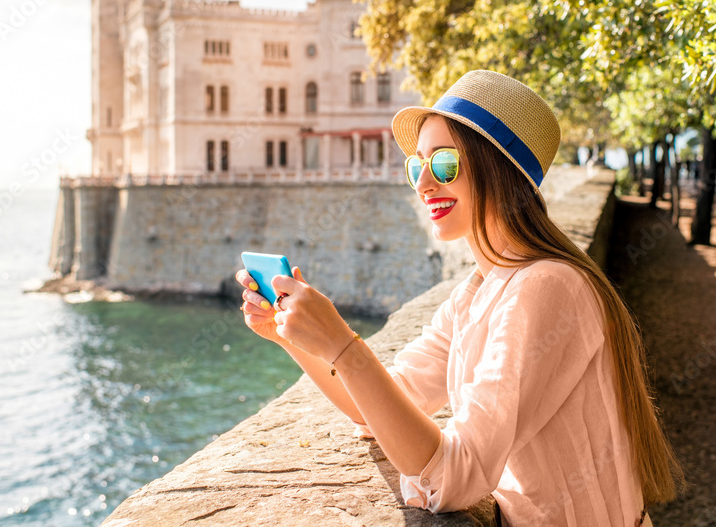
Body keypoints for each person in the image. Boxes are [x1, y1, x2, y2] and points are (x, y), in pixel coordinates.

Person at [234, 70, 684, 526]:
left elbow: (452, 477)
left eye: (445, 164)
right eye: (416, 165)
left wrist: (342, 345)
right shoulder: (477, 290)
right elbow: (377, 408)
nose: (424, 184)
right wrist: (295, 337)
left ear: (500, 171)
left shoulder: (547, 288)